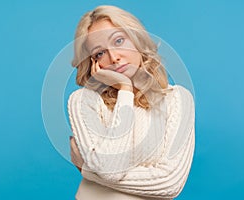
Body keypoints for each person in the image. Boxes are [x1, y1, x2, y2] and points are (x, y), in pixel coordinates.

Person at [68, 5, 195, 200]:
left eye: (119, 41)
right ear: (93, 62)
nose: (114, 57)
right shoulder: (84, 100)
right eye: (99, 53)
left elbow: (170, 183)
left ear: (136, 39)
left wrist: (88, 170)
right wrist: (125, 90)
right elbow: (111, 171)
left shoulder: (178, 99)